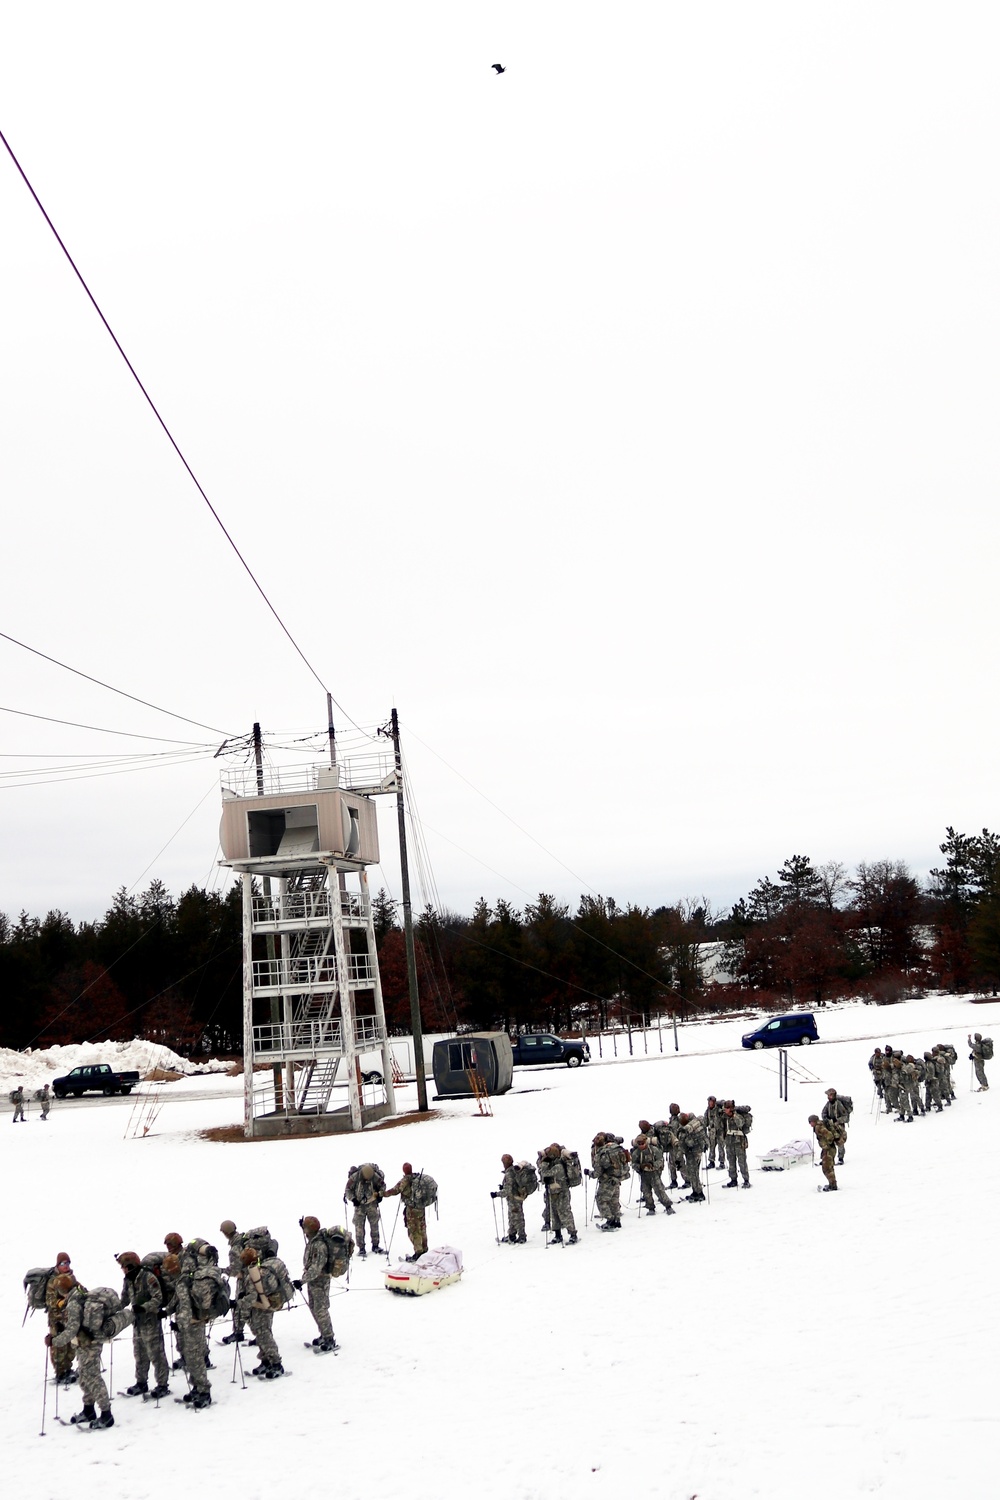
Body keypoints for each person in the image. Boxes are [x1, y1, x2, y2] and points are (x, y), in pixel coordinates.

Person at [50, 1275, 133, 1427]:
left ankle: (106, 1414)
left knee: (93, 1378)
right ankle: (88, 1410)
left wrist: (54, 1341)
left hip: (89, 1345)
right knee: (84, 1377)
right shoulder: (80, 1294)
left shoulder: (73, 1303)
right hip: (85, 1344)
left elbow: (72, 1329)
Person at [163, 1251, 213, 1406]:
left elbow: (185, 1307)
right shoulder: (182, 1280)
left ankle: (204, 1391)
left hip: (192, 1325)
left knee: (195, 1358)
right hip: (190, 1324)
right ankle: (197, 1387)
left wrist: (179, 1324)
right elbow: (177, 1301)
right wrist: (167, 1311)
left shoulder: (183, 1283)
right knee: (190, 1358)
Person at [118, 1250, 170, 1399]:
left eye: (124, 1266)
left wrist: (144, 1307)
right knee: (139, 1354)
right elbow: (124, 1299)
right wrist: (112, 1310)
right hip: (137, 1323)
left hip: (150, 1321)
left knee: (156, 1354)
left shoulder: (148, 1277)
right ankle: (141, 1382)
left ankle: (162, 1385)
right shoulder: (128, 1279)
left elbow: (158, 1298)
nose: (123, 1269)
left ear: (130, 1265)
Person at [237, 1246, 284, 1379]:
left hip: (260, 1308)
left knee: (264, 1335)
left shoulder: (253, 1274)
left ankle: (276, 1363)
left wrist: (239, 1302)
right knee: (262, 1334)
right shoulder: (260, 1269)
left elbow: (251, 1297)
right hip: (266, 1306)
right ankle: (266, 1360)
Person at [295, 1217, 338, 1352]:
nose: (304, 1232)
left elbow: (316, 1268)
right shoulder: (313, 1241)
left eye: (306, 1228)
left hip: (320, 1280)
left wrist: (302, 1280)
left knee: (321, 1309)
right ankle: (323, 1334)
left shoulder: (319, 1246)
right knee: (313, 1307)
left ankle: (329, 1338)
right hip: (313, 1280)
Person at [383, 1162, 435, 1260]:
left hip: (411, 1210)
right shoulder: (417, 1178)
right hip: (421, 1208)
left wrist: (381, 1194)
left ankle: (418, 1253)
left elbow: (394, 1191)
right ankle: (424, 1249)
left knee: (413, 1231)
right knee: (422, 1228)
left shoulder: (405, 1181)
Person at [45, 1254, 77, 1386]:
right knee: (59, 1346)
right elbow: (50, 1300)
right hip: (57, 1319)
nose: (66, 1266)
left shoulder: (71, 1277)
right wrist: (61, 1302)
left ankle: (68, 1369)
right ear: (58, 1265)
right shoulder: (52, 1281)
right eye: (63, 1264)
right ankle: (60, 1372)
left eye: (68, 1263)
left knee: (71, 1344)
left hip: (70, 1317)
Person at [537, 1143, 578, 1244]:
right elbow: (541, 1172)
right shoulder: (552, 1163)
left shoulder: (559, 1165)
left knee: (565, 1213)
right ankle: (557, 1235)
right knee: (554, 1214)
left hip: (562, 1192)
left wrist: (544, 1162)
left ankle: (573, 1234)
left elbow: (545, 1173)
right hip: (552, 1192)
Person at [590, 1133, 629, 1231]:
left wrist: (589, 1173)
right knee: (614, 1201)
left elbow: (597, 1172)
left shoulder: (602, 1153)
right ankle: (617, 1220)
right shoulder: (618, 1148)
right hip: (618, 1178)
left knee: (601, 1200)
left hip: (607, 1180)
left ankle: (610, 1220)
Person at [629, 1133, 675, 1215]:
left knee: (659, 1191)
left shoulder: (654, 1150)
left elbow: (660, 1160)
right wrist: (640, 1166)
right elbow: (633, 1164)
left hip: (654, 1174)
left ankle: (668, 1206)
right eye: (639, 1144)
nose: (641, 1145)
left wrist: (653, 1165)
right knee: (646, 1192)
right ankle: (650, 1208)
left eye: (642, 1143)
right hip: (643, 1175)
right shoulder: (636, 1153)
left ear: (646, 1142)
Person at [345, 1163, 385, 1256]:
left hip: (372, 1204)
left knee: (374, 1225)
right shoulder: (355, 1177)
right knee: (359, 1227)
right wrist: (353, 1199)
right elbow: (347, 1190)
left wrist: (380, 1195)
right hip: (359, 1205)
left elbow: (383, 1186)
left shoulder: (374, 1176)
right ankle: (361, 1248)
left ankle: (375, 1245)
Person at [498, 1154, 528, 1244]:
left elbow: (508, 1190)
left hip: (514, 1198)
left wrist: (497, 1194)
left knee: (517, 1217)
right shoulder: (514, 1170)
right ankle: (512, 1235)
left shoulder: (509, 1173)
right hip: (516, 1197)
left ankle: (522, 1236)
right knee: (512, 1216)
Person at [678, 1112, 707, 1201]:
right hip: (698, 1151)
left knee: (693, 1173)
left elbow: (682, 1146)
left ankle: (699, 1193)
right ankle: (695, 1191)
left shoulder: (686, 1130)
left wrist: (678, 1158)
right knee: (694, 1173)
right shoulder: (696, 1124)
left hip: (692, 1154)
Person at [722, 1101, 751, 1188]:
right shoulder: (725, 1117)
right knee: (731, 1162)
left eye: (726, 1108)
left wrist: (733, 1115)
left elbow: (740, 1123)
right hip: (729, 1142)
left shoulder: (737, 1116)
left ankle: (746, 1180)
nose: (725, 1110)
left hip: (739, 1142)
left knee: (742, 1162)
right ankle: (733, 1179)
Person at [809, 1115, 838, 1191]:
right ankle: (832, 1184)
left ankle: (833, 1185)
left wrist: (828, 1144)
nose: (810, 1124)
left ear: (814, 1121)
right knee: (828, 1167)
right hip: (828, 1149)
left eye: (810, 1122)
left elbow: (830, 1136)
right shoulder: (820, 1125)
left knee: (827, 1168)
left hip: (828, 1149)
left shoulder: (819, 1127)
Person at [821, 1089, 851, 1162]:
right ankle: (828, 1157)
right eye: (828, 1095)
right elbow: (823, 1113)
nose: (829, 1097)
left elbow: (845, 1117)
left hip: (839, 1126)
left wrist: (838, 1121)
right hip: (830, 1126)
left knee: (840, 1141)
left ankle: (841, 1158)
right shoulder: (828, 1104)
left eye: (830, 1095)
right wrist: (826, 1119)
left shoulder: (839, 1104)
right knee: (828, 1141)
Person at [704, 1096, 726, 1169]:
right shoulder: (707, 1111)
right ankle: (711, 1162)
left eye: (711, 1102)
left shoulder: (719, 1110)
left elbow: (724, 1113)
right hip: (712, 1132)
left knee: (721, 1147)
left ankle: (722, 1163)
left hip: (720, 1131)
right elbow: (705, 1122)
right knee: (711, 1147)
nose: (710, 1103)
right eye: (709, 1102)